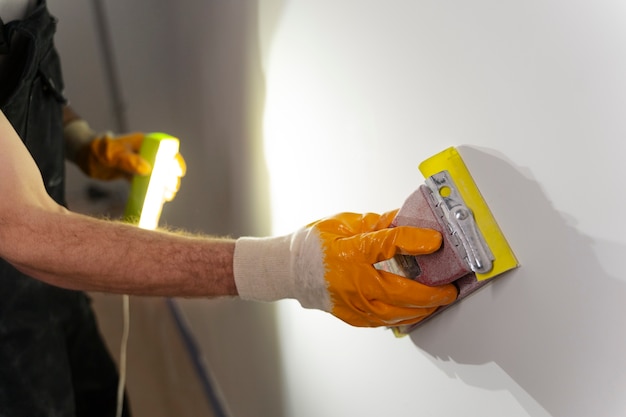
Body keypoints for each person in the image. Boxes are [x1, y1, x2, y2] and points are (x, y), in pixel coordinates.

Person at [0, 1, 458, 416]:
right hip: (9, 310)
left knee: (98, 395)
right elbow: (26, 230)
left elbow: (21, 70)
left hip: (52, 290)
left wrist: (83, 143)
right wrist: (292, 268)